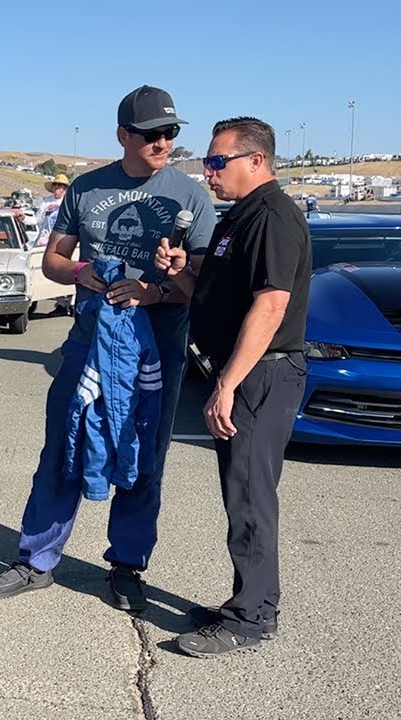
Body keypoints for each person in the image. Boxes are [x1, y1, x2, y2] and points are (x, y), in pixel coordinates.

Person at [0, 86, 217, 611]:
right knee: (63, 444)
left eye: (171, 133)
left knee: (143, 454)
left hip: (158, 351)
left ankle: (128, 565)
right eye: (152, 134)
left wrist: (159, 288)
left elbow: (202, 283)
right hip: (88, 341)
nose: (164, 143)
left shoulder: (190, 196)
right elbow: (53, 263)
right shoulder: (86, 189)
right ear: (124, 135)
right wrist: (86, 272)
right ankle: (36, 560)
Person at [154, 117, 311, 658]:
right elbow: (211, 297)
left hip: (262, 373)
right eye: (208, 161)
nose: (208, 170)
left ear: (256, 161)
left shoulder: (273, 217)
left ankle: (252, 617)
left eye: (218, 161)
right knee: (239, 492)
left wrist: (227, 384)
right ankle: (247, 598)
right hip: (244, 370)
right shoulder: (236, 219)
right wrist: (178, 271)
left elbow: (271, 306)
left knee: (249, 495)